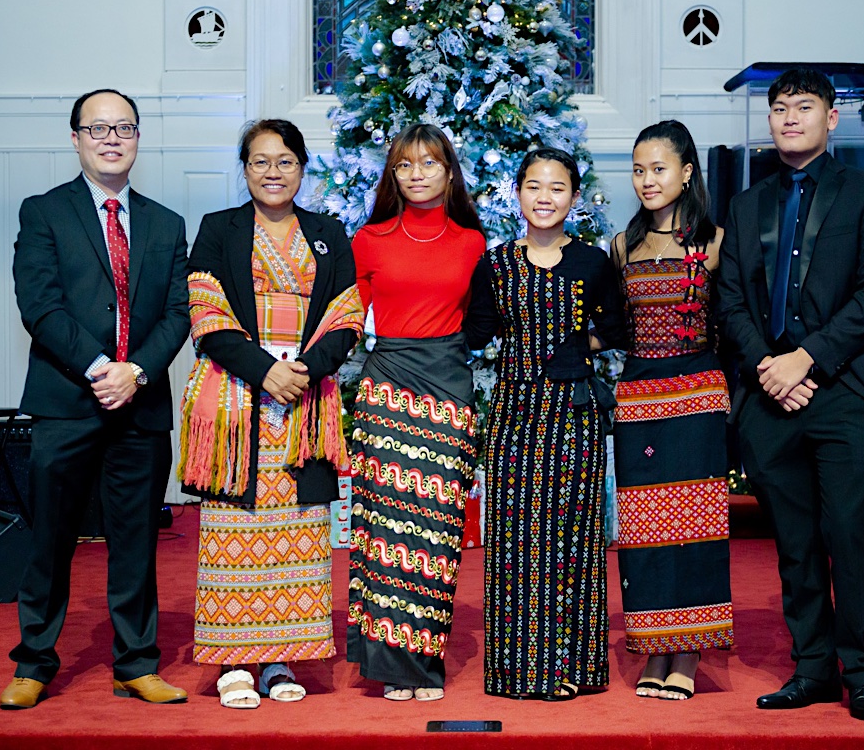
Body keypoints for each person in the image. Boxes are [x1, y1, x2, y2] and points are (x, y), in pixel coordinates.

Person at [715, 68, 864, 721]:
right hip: (770, 396)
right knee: (794, 543)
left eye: (803, 106)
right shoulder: (746, 205)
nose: (790, 118)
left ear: (831, 118)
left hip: (844, 390)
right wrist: (770, 367)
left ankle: (863, 674)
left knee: (848, 532)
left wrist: (806, 360)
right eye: (780, 108)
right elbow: (730, 300)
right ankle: (814, 669)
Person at [1, 88, 190, 709]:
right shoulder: (43, 212)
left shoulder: (166, 223)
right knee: (51, 540)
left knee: (136, 541)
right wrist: (101, 368)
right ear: (76, 138)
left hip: (141, 405)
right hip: (66, 403)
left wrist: (136, 372)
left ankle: (136, 664)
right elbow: (40, 306)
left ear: (138, 138)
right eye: (99, 128)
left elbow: (178, 312)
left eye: (124, 128)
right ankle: (33, 663)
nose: (112, 138)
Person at [179, 119, 364, 707]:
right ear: (245, 169)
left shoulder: (329, 232)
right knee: (233, 532)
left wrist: (302, 370)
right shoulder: (219, 229)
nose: (273, 172)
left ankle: (281, 659)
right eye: (260, 162)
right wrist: (265, 371)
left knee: (298, 534)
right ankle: (236, 661)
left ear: (302, 168)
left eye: (285, 161)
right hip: (237, 402)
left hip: (304, 405)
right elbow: (206, 314)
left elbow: (347, 316)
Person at [465, 147, 627, 701]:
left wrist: (576, 347)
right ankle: (517, 671)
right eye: (534, 186)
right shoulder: (495, 264)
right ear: (517, 194)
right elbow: (475, 332)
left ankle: (572, 667)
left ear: (574, 198)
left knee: (573, 538)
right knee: (513, 539)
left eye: (557, 188)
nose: (544, 197)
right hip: (513, 413)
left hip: (574, 415)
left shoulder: (593, 263)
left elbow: (618, 329)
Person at [346, 123, 486, 703]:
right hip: (386, 386)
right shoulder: (369, 239)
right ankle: (389, 667)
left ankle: (424, 664)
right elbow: (346, 318)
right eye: (405, 165)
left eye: (429, 162)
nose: (417, 174)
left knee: (436, 530)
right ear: (393, 175)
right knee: (385, 529)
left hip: (448, 386)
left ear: (449, 171)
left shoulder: (473, 243)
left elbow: (484, 321)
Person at [610, 120, 733, 701]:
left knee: (694, 526)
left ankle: (687, 654)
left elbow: (730, 322)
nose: (647, 180)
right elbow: (613, 328)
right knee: (644, 531)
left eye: (658, 169)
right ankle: (654, 647)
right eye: (639, 170)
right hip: (638, 400)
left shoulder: (714, 241)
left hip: (697, 395)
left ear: (686, 173)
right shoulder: (623, 245)